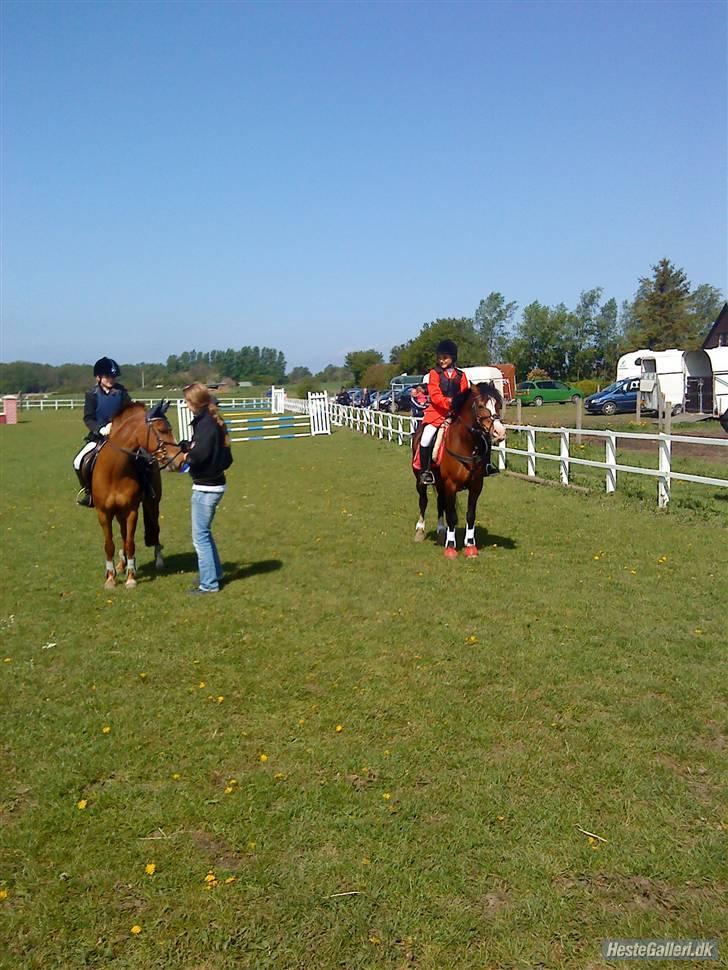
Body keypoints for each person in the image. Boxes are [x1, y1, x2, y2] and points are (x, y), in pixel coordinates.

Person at [178, 383, 233, 594]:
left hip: (206, 488)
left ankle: (208, 584)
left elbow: (199, 455)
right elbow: (222, 456)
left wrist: (186, 456)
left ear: (195, 402)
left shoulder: (206, 424)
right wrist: (189, 446)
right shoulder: (212, 422)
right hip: (215, 484)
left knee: (199, 537)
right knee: (205, 534)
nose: (185, 404)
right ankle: (215, 574)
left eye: (187, 400)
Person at [73, 357, 131, 506]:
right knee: (79, 461)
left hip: (121, 435)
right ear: (98, 378)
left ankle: (147, 487)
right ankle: (89, 492)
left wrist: (119, 425)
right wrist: (101, 429)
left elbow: (129, 411)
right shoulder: (92, 394)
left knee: (143, 457)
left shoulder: (121, 391)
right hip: (99, 436)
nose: (111, 379)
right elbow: (88, 417)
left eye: (113, 376)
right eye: (107, 377)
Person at [418, 340, 470, 485]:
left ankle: (485, 465)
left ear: (453, 357)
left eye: (445, 357)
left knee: (478, 433)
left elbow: (464, 393)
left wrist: (458, 406)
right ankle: (425, 471)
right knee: (426, 438)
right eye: (440, 357)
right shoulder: (434, 374)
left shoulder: (462, 375)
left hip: (456, 415)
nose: (441, 360)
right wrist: (450, 403)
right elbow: (434, 395)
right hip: (437, 414)